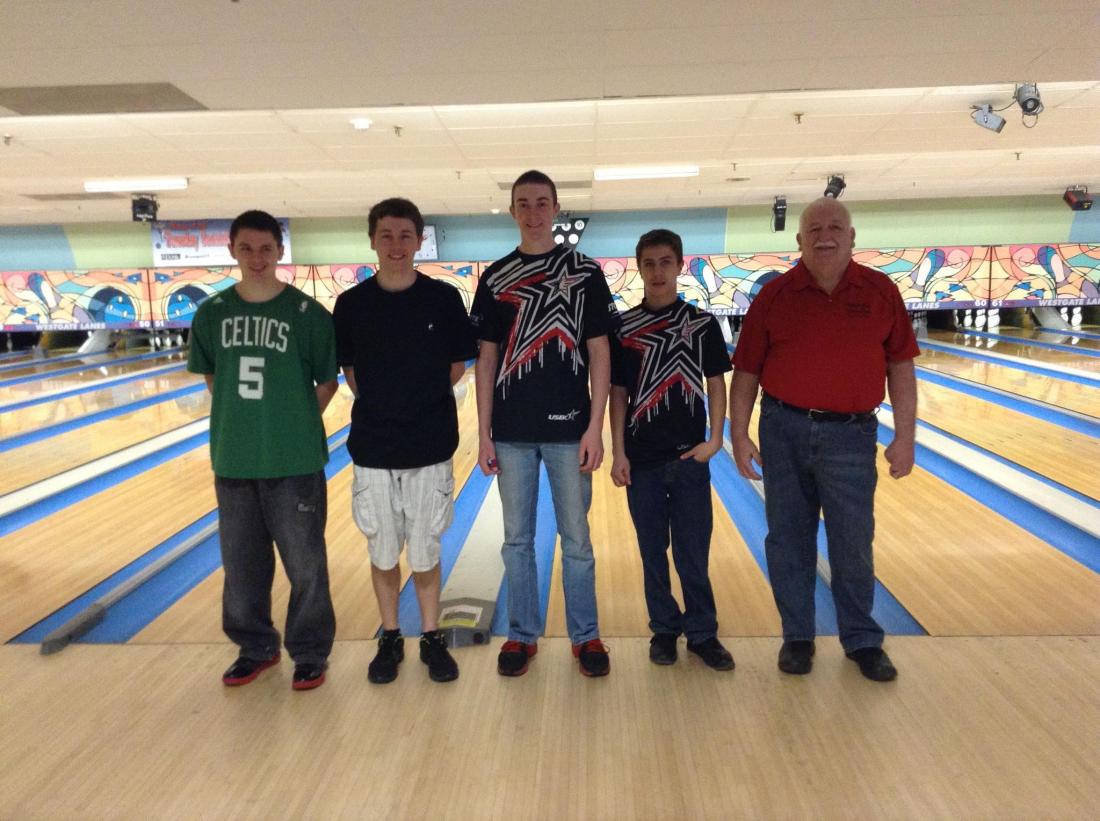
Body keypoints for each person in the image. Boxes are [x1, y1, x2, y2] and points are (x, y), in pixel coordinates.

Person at [728, 197, 919, 682]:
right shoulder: (774, 296)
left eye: (836, 226)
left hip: (852, 435)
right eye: (814, 228)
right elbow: (747, 370)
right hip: (783, 428)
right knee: (787, 540)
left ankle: (861, 640)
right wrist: (740, 432)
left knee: (853, 542)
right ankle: (797, 637)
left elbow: (901, 365)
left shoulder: (880, 292)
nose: (825, 234)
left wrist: (907, 436)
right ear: (799, 240)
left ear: (852, 237)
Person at [471, 170, 618, 678]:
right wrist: (483, 432)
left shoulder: (584, 272)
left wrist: (595, 426)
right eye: (523, 203)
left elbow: (600, 351)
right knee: (517, 540)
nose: (533, 212)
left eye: (541, 202)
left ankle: (586, 635)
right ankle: (521, 635)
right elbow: (486, 360)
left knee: (576, 539)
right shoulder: (495, 277)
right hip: (510, 431)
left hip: (569, 428)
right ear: (512, 211)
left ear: (556, 208)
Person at [188, 209, 338, 691]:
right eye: (247, 248)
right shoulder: (211, 313)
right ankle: (255, 647)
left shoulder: (307, 315)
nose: (257, 257)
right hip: (233, 459)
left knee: (306, 563)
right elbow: (214, 378)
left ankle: (310, 652)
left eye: (266, 248)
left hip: (294, 462)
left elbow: (327, 382)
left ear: (279, 252)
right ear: (232, 249)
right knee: (241, 564)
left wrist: (290, 419)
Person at [332, 197, 476, 684]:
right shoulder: (351, 304)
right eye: (387, 235)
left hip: (431, 445)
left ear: (419, 241)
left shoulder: (443, 299)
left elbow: (458, 364)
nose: (396, 245)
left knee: (425, 550)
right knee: (382, 548)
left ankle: (431, 636)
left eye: (405, 236)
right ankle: (390, 634)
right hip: (373, 449)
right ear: (372, 239)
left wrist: (419, 401)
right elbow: (350, 371)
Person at [609, 229, 734, 670]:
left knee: (692, 552)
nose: (657, 271)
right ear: (638, 269)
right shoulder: (623, 328)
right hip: (641, 461)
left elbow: (716, 384)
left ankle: (702, 633)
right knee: (651, 552)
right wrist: (618, 451)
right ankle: (664, 629)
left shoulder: (700, 324)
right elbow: (618, 393)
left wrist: (716, 439)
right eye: (649, 263)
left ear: (680, 265)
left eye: (665, 262)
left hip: (687, 460)